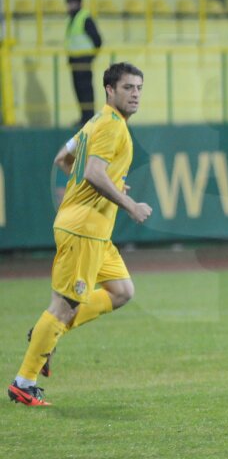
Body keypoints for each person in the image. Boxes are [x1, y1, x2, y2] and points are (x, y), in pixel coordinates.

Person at [8, 62, 153, 408]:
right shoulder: (112, 126)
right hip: (84, 228)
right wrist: (129, 203)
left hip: (94, 231)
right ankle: (23, 383)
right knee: (66, 303)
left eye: (138, 88)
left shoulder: (93, 124)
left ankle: (47, 334)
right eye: (128, 88)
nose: (134, 94)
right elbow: (91, 173)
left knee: (121, 291)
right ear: (109, 90)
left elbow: (63, 159)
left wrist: (110, 182)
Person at [64, 0, 102, 125]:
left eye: (70, 2)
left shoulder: (85, 17)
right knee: (78, 90)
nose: (68, 6)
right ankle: (84, 117)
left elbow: (97, 40)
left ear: (78, 3)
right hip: (74, 61)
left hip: (83, 61)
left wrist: (90, 57)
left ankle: (89, 119)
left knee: (85, 90)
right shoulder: (72, 19)